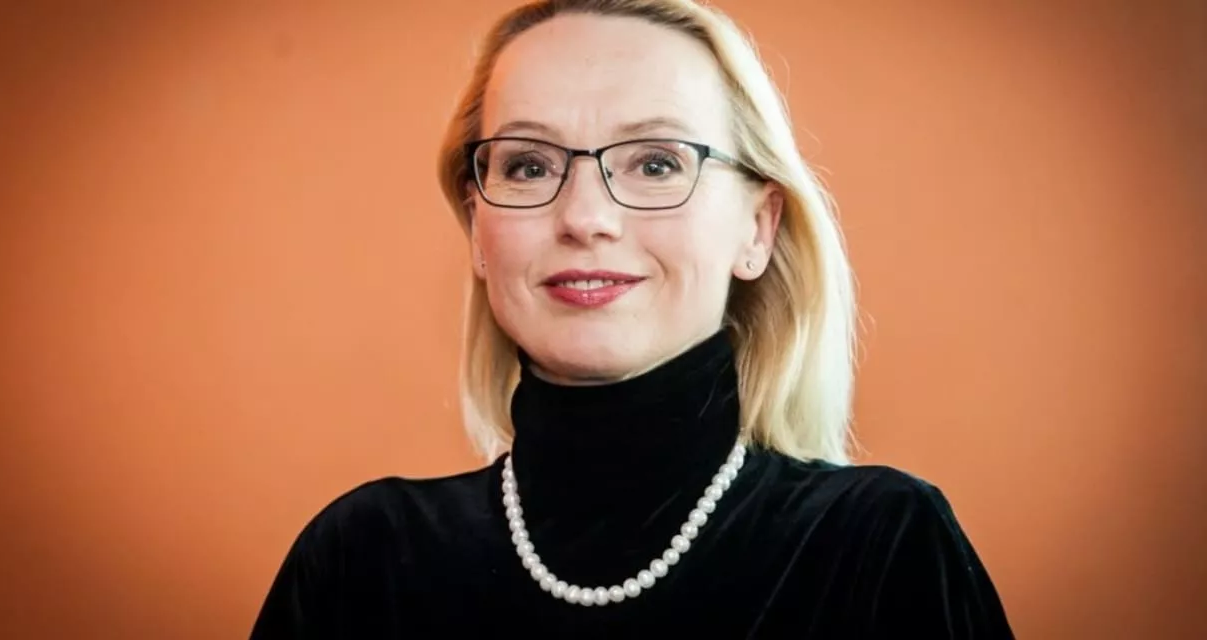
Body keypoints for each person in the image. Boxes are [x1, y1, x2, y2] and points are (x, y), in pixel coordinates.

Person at [250, 0, 1014, 637]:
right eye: (529, 164)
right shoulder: (362, 558)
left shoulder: (881, 545)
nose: (585, 218)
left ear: (756, 229)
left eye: (655, 163)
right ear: (478, 227)